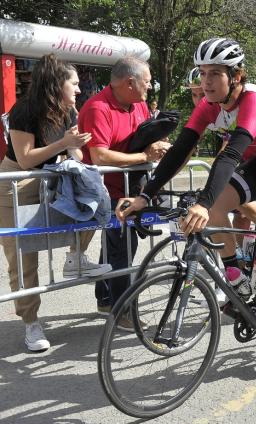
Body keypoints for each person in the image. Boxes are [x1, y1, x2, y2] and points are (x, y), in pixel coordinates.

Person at [117, 38, 256, 347]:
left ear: (236, 76)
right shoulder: (208, 106)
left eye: (214, 74)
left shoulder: (253, 100)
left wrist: (202, 203)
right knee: (213, 209)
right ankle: (237, 277)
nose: (205, 81)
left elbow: (231, 155)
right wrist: (146, 194)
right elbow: (180, 150)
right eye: (202, 72)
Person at [0, 54, 108, 351]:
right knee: (23, 261)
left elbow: (77, 155)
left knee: (94, 202)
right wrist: (64, 145)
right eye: (73, 83)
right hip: (16, 184)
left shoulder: (69, 110)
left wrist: (76, 151)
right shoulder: (24, 109)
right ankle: (30, 323)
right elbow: (24, 159)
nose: (78, 88)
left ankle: (76, 257)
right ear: (57, 84)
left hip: (51, 178)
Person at [79, 56, 170, 330]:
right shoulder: (98, 108)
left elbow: (142, 137)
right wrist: (144, 155)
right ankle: (122, 312)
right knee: (122, 250)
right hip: (108, 193)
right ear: (130, 83)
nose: (151, 86)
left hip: (131, 189)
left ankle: (106, 299)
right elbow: (99, 155)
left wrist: (158, 146)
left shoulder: (138, 104)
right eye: (147, 81)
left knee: (118, 247)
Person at [184, 66, 256, 279]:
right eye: (195, 94)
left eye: (202, 94)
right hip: (235, 157)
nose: (201, 96)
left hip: (253, 157)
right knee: (229, 215)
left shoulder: (231, 103)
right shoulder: (206, 109)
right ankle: (238, 263)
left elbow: (228, 149)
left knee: (236, 203)